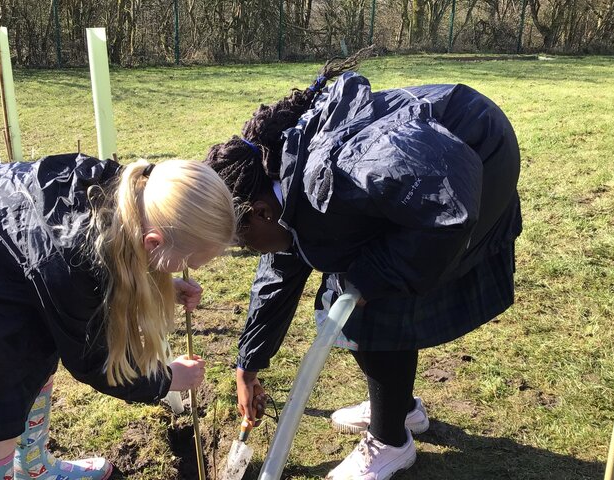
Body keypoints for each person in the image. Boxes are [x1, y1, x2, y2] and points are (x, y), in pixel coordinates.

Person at [204, 56, 522, 479]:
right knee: (354, 290)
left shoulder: (334, 172)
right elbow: (278, 273)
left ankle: (391, 441)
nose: (250, 251)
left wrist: (372, 278)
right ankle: (400, 410)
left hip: (475, 163)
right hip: (427, 179)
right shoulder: (279, 181)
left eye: (243, 242)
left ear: (260, 212)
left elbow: (448, 208)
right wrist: (249, 364)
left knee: (365, 296)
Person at [0, 153, 235, 480]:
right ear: (153, 242)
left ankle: (33, 468)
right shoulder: (74, 258)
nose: (187, 271)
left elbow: (116, 266)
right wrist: (165, 380)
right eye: (186, 263)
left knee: (34, 352)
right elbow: (95, 361)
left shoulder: (118, 194)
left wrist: (163, 286)